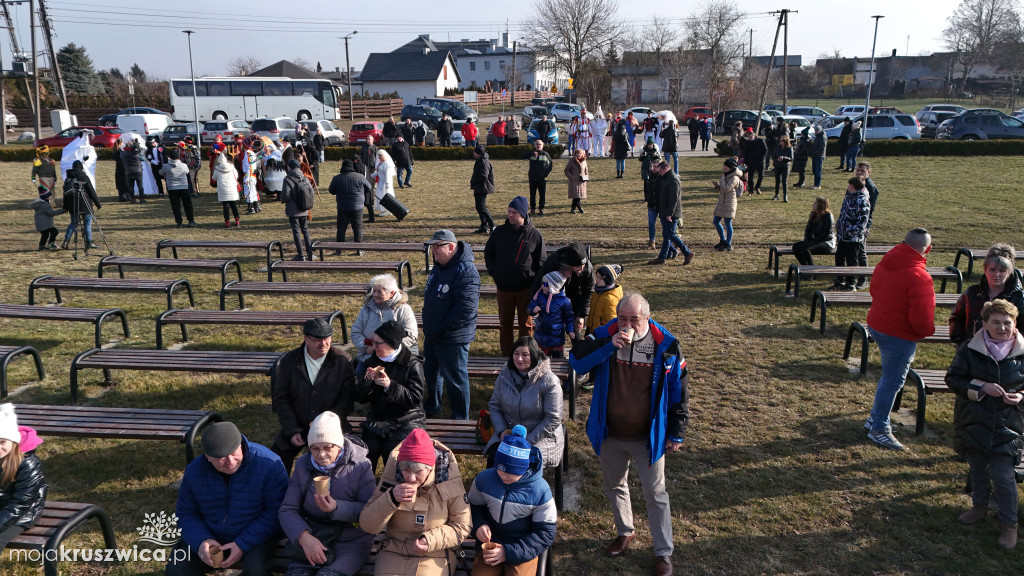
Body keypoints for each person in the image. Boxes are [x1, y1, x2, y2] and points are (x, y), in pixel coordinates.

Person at [569, 293, 689, 576]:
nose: (627, 324)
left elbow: (679, 392)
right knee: (614, 486)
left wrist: (677, 432)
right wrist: (608, 347)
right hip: (611, 432)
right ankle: (625, 531)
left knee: (656, 494)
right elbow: (577, 362)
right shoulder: (605, 334)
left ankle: (663, 552)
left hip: (648, 437)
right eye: (622, 318)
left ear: (647, 318)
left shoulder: (667, 346)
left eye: (634, 319)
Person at [945, 299, 1024, 550]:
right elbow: (953, 379)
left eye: (1007, 323)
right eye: (996, 323)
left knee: (1003, 476)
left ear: (1015, 324)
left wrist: (1021, 397)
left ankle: (1009, 525)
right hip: (974, 420)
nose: (1002, 328)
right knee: (977, 469)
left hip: (1009, 424)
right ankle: (978, 508)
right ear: (985, 323)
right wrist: (980, 387)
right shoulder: (970, 348)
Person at [167, 422, 289, 576]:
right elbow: (186, 513)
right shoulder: (194, 472)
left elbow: (276, 511)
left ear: (241, 444)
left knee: (255, 572)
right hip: (211, 533)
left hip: (256, 536)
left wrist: (242, 544)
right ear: (208, 456)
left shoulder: (269, 464)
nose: (230, 461)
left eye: (234, 453)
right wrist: (201, 540)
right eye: (221, 458)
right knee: (176, 570)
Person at [358, 429, 472, 575]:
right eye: (406, 469)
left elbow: (462, 526)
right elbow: (368, 525)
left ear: (431, 467)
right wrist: (391, 498)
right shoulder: (393, 476)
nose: (411, 478)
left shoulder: (447, 478)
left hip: (434, 553)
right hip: (394, 550)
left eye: (418, 471)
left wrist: (430, 540)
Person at [277, 411, 376, 576]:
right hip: (313, 536)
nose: (321, 454)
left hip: (350, 540)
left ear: (339, 444)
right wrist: (303, 537)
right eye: (315, 448)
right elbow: (287, 509)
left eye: (327, 447)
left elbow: (370, 511)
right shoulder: (303, 464)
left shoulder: (360, 466)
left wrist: (337, 507)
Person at [864, 228, 936, 451]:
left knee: (888, 378)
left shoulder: (887, 260)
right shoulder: (920, 277)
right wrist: (926, 332)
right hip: (899, 335)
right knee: (892, 381)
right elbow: (922, 318)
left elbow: (874, 290)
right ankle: (878, 428)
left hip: (878, 325)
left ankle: (876, 418)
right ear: (928, 250)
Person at [469, 425, 557, 575]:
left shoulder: (540, 490)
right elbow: (471, 507)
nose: (503, 476)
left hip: (522, 546)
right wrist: (479, 525)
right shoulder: (484, 479)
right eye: (499, 469)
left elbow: (545, 532)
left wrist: (508, 552)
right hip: (491, 544)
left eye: (510, 472)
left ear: (523, 469)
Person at [272, 318, 356, 472]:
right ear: (305, 339)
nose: (323, 344)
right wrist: (292, 430)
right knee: (276, 462)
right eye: (317, 340)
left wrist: (329, 423)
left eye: (327, 339)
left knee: (338, 464)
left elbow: (347, 397)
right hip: (298, 423)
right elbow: (281, 399)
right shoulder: (289, 361)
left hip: (332, 425)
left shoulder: (342, 360)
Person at [422, 229, 481, 421]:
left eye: (437, 247)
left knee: (455, 380)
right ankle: (433, 406)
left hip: (452, 337)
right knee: (432, 375)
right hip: (433, 333)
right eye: (432, 248)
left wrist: (441, 328)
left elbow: (465, 309)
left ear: (451, 247)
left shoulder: (466, 272)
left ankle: (460, 418)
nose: (434, 251)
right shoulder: (439, 267)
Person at [357, 319, 427, 471]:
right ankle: (365, 490)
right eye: (371, 342)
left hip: (407, 420)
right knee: (366, 453)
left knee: (393, 453)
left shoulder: (412, 364)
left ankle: (394, 491)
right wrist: (367, 383)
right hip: (379, 418)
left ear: (391, 344)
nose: (372, 347)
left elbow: (415, 399)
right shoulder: (373, 360)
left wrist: (391, 386)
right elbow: (361, 398)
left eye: (377, 343)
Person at [484, 335, 564, 468]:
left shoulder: (549, 381)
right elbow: (494, 406)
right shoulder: (504, 375)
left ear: (533, 356)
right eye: (516, 354)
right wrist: (502, 431)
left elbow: (553, 418)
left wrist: (527, 441)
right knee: (495, 459)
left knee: (520, 464)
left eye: (525, 354)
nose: (519, 359)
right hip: (509, 433)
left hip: (539, 436)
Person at [486, 196, 546, 356]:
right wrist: (494, 272)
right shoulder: (499, 232)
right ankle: (506, 355)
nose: (510, 215)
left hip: (525, 290)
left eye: (514, 212)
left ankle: (526, 354)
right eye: (509, 211)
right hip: (504, 289)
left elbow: (541, 262)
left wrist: (535, 283)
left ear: (523, 215)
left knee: (525, 325)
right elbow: (489, 254)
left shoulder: (534, 235)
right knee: (505, 324)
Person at [949, 244, 1024, 345]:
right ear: (985, 270)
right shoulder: (972, 293)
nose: (996, 275)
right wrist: (961, 341)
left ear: (1009, 272)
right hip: (972, 349)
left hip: (1006, 351)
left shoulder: (1019, 297)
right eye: (992, 270)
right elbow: (957, 317)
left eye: (1002, 271)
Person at [350, 274, 418, 376]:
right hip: (369, 354)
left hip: (394, 357)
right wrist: (366, 347)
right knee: (361, 374)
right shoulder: (366, 308)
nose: (375, 294)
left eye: (379, 291)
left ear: (391, 293)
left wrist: (389, 349)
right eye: (374, 291)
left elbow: (411, 335)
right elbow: (355, 332)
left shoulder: (403, 309)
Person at [0, 403, 47, 552]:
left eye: (2, 442)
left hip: (21, 513)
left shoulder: (28, 463)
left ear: (13, 441)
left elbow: (21, 502)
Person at [533, 242, 594, 339]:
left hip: (574, 296)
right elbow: (540, 281)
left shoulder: (587, 269)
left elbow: (588, 292)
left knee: (575, 329)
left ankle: (577, 351)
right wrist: (546, 290)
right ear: (569, 265)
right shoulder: (553, 263)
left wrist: (582, 315)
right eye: (578, 267)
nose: (582, 269)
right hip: (552, 298)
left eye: (584, 265)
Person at [650, 161, 693, 266]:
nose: (659, 173)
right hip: (666, 212)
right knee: (666, 235)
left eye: (660, 171)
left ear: (665, 169)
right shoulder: (667, 178)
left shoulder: (673, 179)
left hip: (672, 213)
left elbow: (674, 199)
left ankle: (687, 252)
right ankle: (662, 258)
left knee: (670, 234)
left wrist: (670, 213)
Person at [833, 177, 871, 291]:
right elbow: (844, 212)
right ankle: (840, 280)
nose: (847, 187)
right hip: (843, 235)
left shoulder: (862, 200)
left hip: (853, 238)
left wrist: (850, 231)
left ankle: (851, 283)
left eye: (849, 185)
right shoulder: (849, 196)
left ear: (853, 186)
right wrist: (839, 226)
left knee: (852, 261)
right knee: (839, 257)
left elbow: (862, 221)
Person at [529, 271, 576, 358]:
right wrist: (533, 310)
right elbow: (530, 306)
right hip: (541, 334)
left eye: (546, 284)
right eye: (542, 283)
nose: (543, 286)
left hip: (556, 336)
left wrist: (570, 330)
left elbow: (569, 318)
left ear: (553, 286)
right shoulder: (540, 296)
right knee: (540, 360)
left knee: (557, 359)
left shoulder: (565, 301)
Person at [328, 159, 372, 245]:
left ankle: (339, 248)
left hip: (342, 206)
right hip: (357, 206)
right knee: (357, 227)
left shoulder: (336, 178)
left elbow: (331, 191)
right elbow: (369, 188)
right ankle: (359, 248)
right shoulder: (360, 177)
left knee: (341, 228)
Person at [60, 160, 101, 252]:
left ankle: (66, 241)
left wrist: (65, 207)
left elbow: (65, 194)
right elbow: (91, 191)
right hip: (85, 203)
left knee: (73, 223)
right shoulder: (83, 177)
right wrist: (97, 204)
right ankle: (89, 242)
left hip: (72, 204)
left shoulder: (68, 178)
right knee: (87, 223)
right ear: (81, 167)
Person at [280, 159, 315, 261]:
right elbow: (311, 191)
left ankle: (300, 255)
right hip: (304, 209)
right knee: (305, 230)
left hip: (293, 210)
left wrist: (282, 199)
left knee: (296, 232)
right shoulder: (304, 177)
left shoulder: (287, 178)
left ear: (289, 167)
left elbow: (285, 196)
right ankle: (310, 253)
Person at [792, 197, 836, 266]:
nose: (813, 204)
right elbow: (808, 230)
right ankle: (805, 266)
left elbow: (826, 233)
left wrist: (813, 242)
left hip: (827, 242)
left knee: (806, 248)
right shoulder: (813, 214)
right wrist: (808, 240)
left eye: (815, 203)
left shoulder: (828, 216)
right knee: (796, 246)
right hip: (815, 241)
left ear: (820, 205)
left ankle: (811, 269)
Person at [160, 148, 197, 228]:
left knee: (175, 206)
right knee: (187, 205)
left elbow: (161, 172)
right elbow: (187, 172)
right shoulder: (183, 165)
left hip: (172, 188)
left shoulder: (166, 166)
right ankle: (191, 220)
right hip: (183, 187)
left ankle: (179, 222)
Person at [712, 158, 743, 252]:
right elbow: (723, 188)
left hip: (729, 203)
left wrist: (722, 180)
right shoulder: (727, 176)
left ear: (731, 168)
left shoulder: (734, 178)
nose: (724, 168)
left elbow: (726, 189)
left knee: (727, 223)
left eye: (726, 166)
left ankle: (728, 244)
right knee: (716, 220)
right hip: (722, 202)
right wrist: (717, 186)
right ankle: (723, 240)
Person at [587, 264, 624, 337]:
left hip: (602, 334)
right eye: (597, 277)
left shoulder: (610, 299)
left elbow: (611, 320)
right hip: (592, 330)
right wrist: (588, 326)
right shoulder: (596, 293)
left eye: (600, 278)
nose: (597, 280)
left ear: (608, 281)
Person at [470, 145, 496, 234]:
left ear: (478, 153)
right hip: (479, 187)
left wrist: (473, 181)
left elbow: (484, 176)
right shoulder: (480, 160)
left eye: (475, 152)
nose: (473, 153)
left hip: (482, 187)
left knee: (481, 207)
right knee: (479, 207)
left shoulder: (484, 162)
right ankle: (484, 226)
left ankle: (492, 225)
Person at [212, 152, 241, 228]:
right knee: (233, 205)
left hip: (223, 189)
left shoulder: (217, 170)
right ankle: (237, 219)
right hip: (231, 188)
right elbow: (236, 175)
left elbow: (214, 178)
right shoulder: (232, 168)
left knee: (225, 206)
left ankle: (227, 221)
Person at [525, 140, 553, 215]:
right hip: (532, 178)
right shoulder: (531, 154)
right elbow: (522, 155)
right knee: (532, 194)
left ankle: (541, 208)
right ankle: (532, 209)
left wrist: (545, 174)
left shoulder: (545, 155)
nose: (538, 146)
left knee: (542, 194)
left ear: (542, 146)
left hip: (542, 178)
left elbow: (550, 165)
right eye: (537, 144)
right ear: (534, 146)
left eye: (540, 144)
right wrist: (532, 153)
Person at [854, 161, 880, 231]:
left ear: (868, 172)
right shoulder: (854, 183)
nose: (859, 173)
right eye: (857, 170)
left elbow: (870, 208)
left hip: (862, 222)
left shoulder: (870, 187)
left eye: (862, 171)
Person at [741, 128, 767, 195]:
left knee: (761, 176)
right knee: (750, 177)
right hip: (751, 162)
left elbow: (765, 150)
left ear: (754, 136)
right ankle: (751, 190)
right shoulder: (747, 143)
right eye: (748, 137)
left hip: (760, 161)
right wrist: (746, 162)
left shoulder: (760, 141)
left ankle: (757, 187)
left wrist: (761, 158)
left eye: (751, 137)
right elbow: (745, 153)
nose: (749, 138)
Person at [121, 139, 146, 203]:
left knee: (131, 186)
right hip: (138, 170)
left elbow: (121, 156)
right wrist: (139, 150)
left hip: (128, 171)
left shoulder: (123, 154)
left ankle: (132, 199)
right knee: (140, 185)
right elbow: (143, 158)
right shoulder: (136, 154)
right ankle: (142, 198)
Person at [565, 148, 589, 214]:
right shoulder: (572, 161)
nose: (578, 155)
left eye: (580, 153)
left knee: (579, 196)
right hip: (574, 181)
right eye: (577, 153)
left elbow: (586, 169)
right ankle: (575, 208)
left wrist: (586, 177)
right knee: (576, 196)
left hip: (582, 180)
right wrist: (571, 177)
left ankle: (577, 207)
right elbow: (566, 170)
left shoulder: (584, 161)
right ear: (575, 154)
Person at [374, 149, 397, 218]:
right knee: (381, 196)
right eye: (379, 156)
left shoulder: (387, 164)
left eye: (381, 156)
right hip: (380, 182)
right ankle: (384, 210)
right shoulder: (380, 163)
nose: (379, 157)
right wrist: (370, 176)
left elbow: (388, 175)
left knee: (385, 196)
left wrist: (387, 184)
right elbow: (378, 172)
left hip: (385, 183)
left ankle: (387, 210)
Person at [772, 133, 793, 202]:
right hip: (778, 165)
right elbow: (773, 156)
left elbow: (791, 158)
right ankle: (776, 194)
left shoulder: (789, 148)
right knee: (777, 181)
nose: (780, 142)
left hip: (785, 166)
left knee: (784, 181)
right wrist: (777, 159)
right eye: (780, 140)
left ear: (785, 141)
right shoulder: (778, 147)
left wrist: (784, 158)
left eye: (782, 141)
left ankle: (785, 196)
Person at [810, 125, 826, 190]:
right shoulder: (818, 137)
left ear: (819, 131)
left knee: (818, 170)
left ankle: (817, 185)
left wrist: (816, 153)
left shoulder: (822, 137)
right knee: (815, 170)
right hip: (815, 156)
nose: (815, 132)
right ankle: (815, 184)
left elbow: (822, 147)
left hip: (819, 156)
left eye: (816, 131)